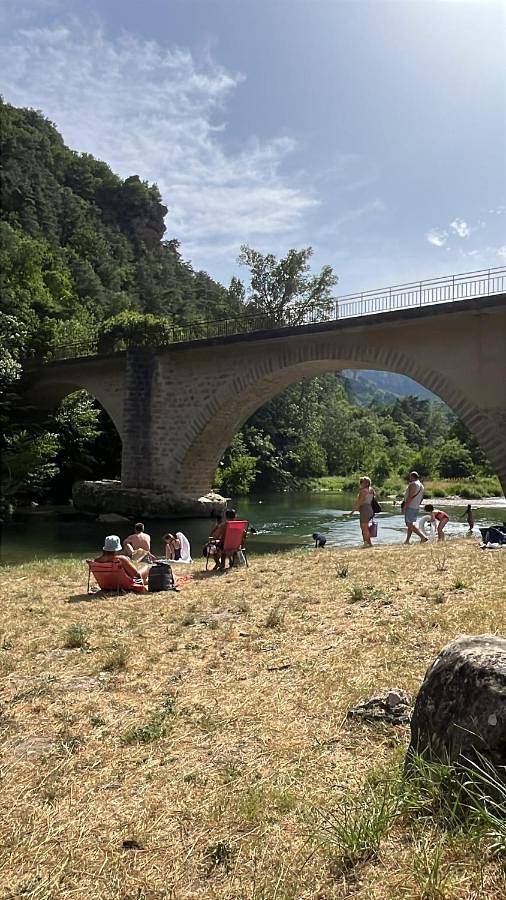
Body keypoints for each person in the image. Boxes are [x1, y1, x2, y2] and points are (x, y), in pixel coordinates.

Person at [402, 471, 428, 545]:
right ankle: (407, 541)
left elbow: (410, 497)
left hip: (410, 506)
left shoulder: (413, 484)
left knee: (408, 524)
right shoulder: (421, 485)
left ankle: (423, 537)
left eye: (410, 477)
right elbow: (422, 498)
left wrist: (405, 506)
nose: (409, 478)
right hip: (416, 506)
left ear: (412, 477)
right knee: (411, 524)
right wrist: (417, 504)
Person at [351, 476, 375, 547]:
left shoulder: (363, 491)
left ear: (366, 483)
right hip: (369, 509)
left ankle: (366, 543)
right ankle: (368, 543)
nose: (360, 483)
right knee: (365, 527)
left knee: (364, 527)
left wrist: (352, 511)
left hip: (365, 509)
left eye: (362, 482)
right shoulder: (371, 490)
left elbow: (360, 502)